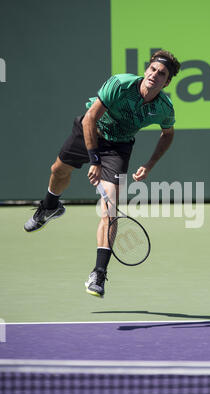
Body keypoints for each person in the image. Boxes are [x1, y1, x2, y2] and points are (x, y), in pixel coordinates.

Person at [24, 50, 181, 298]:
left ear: (167, 82)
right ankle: (50, 206)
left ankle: (98, 274)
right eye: (152, 69)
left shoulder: (164, 107)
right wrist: (94, 159)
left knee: (110, 209)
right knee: (58, 170)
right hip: (91, 131)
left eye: (161, 74)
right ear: (146, 69)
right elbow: (90, 119)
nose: (154, 75)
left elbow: (168, 133)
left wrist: (150, 164)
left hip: (119, 147)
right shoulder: (120, 84)